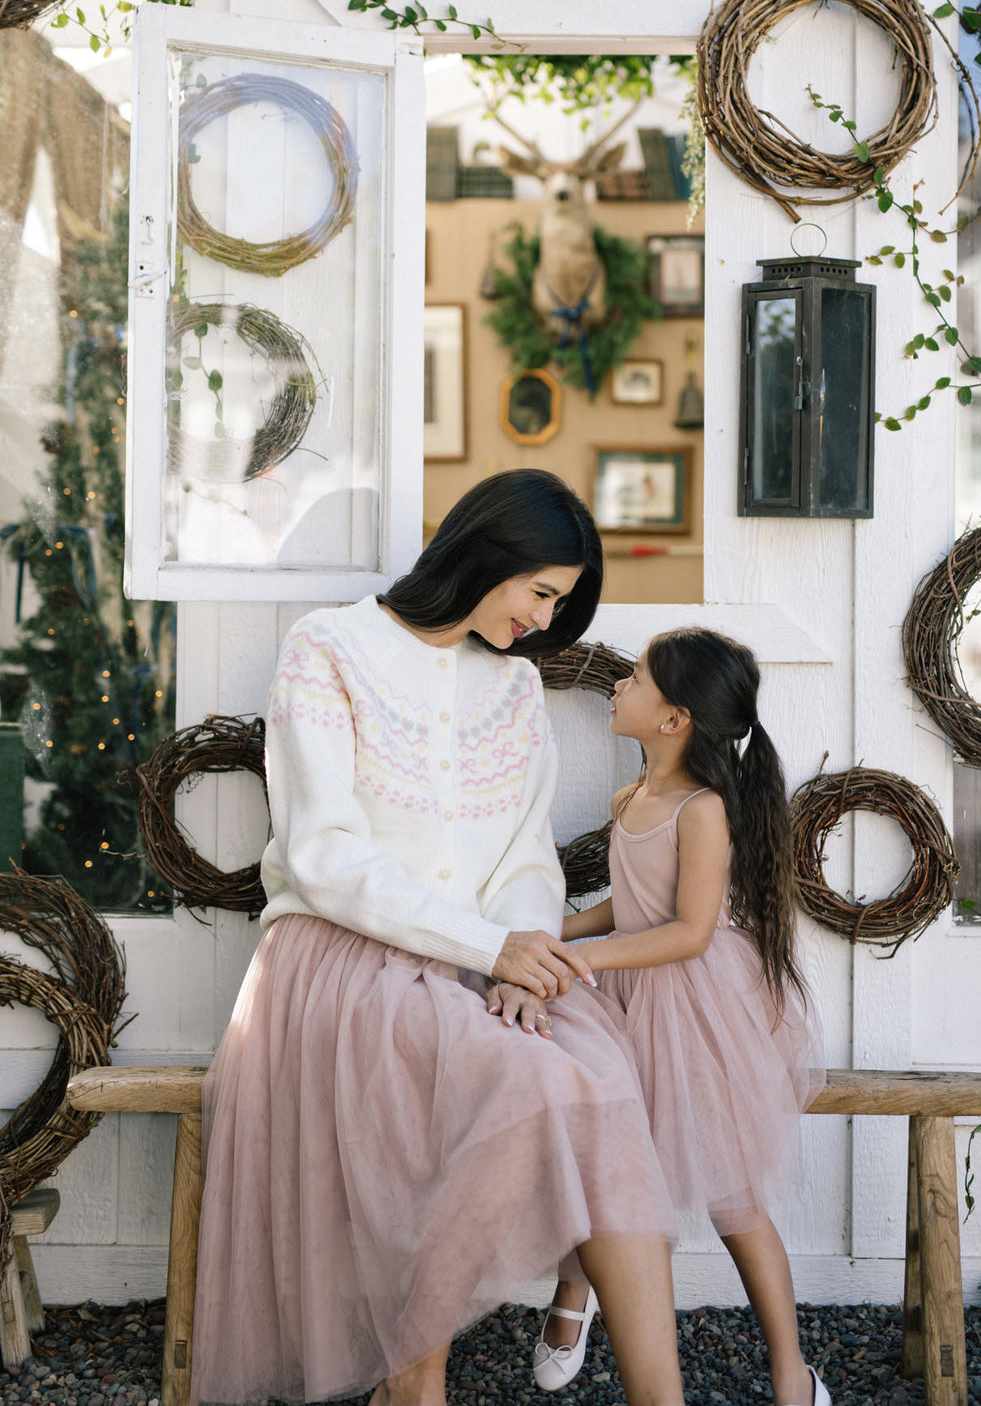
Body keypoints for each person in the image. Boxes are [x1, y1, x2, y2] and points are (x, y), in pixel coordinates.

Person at [190, 470, 684, 1406]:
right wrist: (484, 947)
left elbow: (527, 863)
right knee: (530, 1082)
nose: (546, 617)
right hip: (339, 957)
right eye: (541, 590)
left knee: (606, 1083)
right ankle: (414, 1384)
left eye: (562, 601)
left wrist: (525, 960)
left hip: (485, 961)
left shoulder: (515, 689)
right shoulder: (329, 647)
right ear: (484, 554)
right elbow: (324, 855)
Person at [498, 627, 826, 1406]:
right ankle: (571, 1302)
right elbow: (629, 903)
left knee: (734, 1199)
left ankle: (791, 1372)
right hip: (627, 999)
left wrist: (579, 963)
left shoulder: (705, 809)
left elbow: (688, 931)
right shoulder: (630, 798)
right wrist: (560, 931)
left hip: (696, 1009)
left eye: (637, 679)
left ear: (675, 718)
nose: (619, 686)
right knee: (605, 1158)